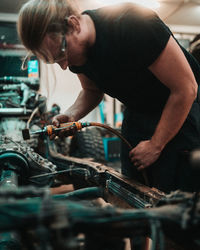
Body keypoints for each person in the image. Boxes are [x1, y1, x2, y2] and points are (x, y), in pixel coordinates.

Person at [17, 0, 200, 193]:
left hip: (182, 111)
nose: (64, 65)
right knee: (133, 192)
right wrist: (71, 115)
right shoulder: (77, 53)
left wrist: (156, 144)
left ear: (74, 24)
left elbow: (186, 89)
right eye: (54, 61)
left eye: (62, 53)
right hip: (137, 114)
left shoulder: (134, 24)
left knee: (177, 200)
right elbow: (91, 91)